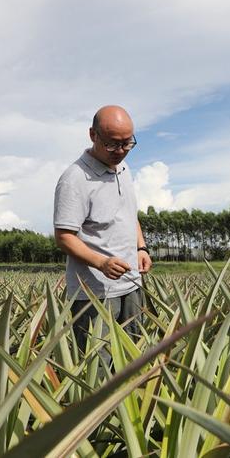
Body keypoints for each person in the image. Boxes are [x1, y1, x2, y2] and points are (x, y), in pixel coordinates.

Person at [53, 105, 152, 361]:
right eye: (112, 144)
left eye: (127, 143)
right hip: (94, 294)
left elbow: (130, 214)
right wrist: (102, 262)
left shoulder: (124, 169)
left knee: (133, 358)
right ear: (93, 135)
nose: (120, 151)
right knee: (97, 365)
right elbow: (64, 236)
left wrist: (141, 247)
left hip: (131, 284)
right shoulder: (74, 179)